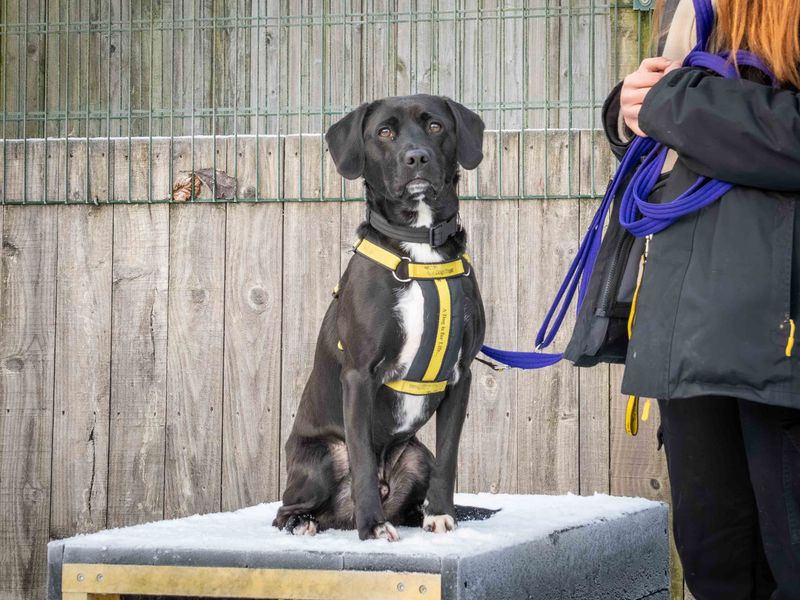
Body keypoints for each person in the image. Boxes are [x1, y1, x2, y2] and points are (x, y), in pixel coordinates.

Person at [605, 0, 800, 597]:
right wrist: (628, 110)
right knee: (716, 559)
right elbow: (681, 145)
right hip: (690, 326)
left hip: (780, 335)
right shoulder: (693, 8)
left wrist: (672, 105)